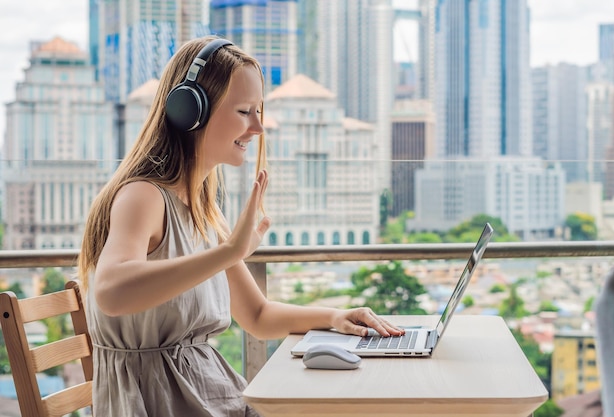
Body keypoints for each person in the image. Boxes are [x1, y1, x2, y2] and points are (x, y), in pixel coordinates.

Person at [77, 35, 404, 417]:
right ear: (190, 111)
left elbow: (258, 316)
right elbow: (112, 294)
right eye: (245, 111)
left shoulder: (200, 209)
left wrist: (334, 316)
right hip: (159, 404)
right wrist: (230, 251)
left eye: (259, 112)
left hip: (213, 398)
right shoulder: (143, 196)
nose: (258, 128)